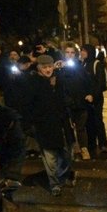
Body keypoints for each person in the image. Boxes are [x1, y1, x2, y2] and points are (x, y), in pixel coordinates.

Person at [23, 54, 73, 196]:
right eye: (44, 67)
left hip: (62, 124)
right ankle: (55, 184)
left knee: (67, 155)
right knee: (50, 158)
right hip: (45, 126)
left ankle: (60, 178)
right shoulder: (34, 82)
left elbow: (65, 98)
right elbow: (29, 105)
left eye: (50, 66)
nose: (48, 69)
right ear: (39, 68)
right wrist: (32, 124)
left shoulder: (58, 80)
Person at [58, 42, 95, 160]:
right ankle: (73, 148)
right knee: (68, 129)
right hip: (66, 104)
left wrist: (89, 94)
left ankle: (84, 148)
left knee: (81, 127)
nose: (70, 55)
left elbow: (88, 82)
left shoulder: (80, 67)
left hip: (80, 102)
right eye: (67, 52)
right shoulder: (60, 68)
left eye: (72, 52)